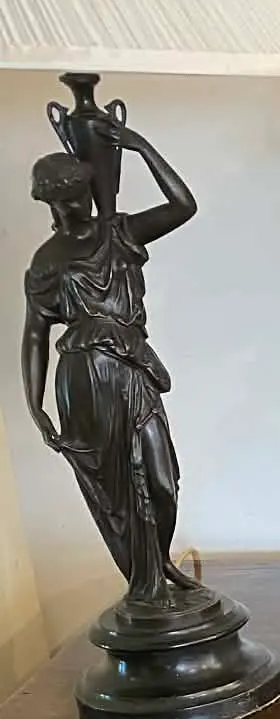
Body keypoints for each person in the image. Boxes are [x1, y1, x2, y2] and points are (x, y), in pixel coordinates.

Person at [22, 117, 202, 606]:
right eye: (56, 202)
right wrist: (35, 405)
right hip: (82, 378)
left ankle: (158, 562)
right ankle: (146, 586)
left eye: (74, 197)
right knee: (117, 488)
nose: (66, 209)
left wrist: (141, 145)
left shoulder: (121, 231)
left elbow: (183, 206)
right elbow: (35, 334)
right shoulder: (47, 259)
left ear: (89, 190)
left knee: (161, 480)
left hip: (132, 368)